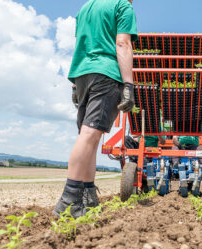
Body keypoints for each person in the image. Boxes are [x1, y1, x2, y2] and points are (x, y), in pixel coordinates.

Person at [53, 0, 138, 218]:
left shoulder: (86, 7)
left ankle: (88, 195)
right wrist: (128, 84)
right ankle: (69, 199)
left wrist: (75, 84)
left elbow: (81, 44)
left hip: (82, 73)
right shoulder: (122, 6)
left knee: (89, 136)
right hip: (106, 73)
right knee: (90, 134)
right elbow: (122, 44)